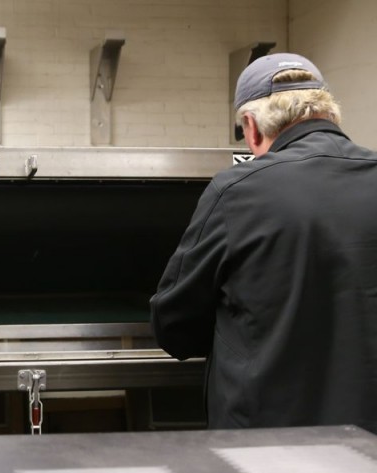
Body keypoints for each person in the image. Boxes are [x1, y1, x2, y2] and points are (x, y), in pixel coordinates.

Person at [150, 53, 377, 432]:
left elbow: (174, 326)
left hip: (268, 449)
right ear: (330, 114)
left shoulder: (238, 191)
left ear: (251, 128)